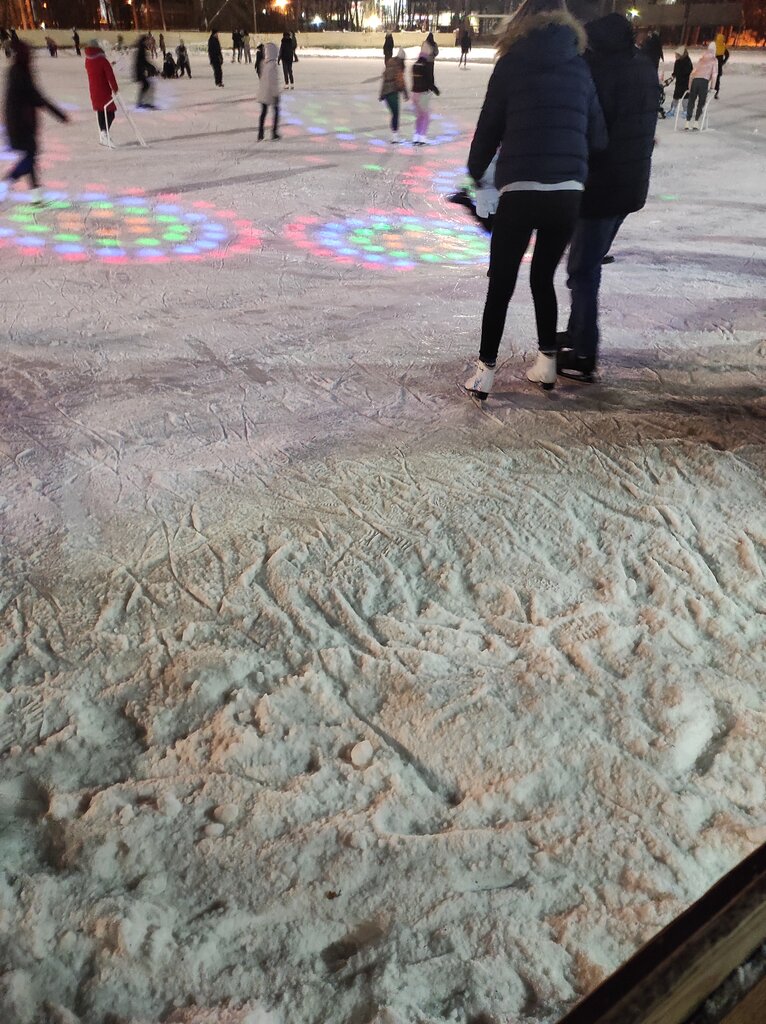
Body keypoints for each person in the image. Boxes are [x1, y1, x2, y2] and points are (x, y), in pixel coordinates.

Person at [463, 0, 607, 399]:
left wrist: (476, 174)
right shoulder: (579, 66)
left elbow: (488, 128)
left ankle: (485, 372)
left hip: (521, 189)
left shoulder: (511, 64)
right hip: (567, 194)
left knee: (501, 282)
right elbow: (598, 137)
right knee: (542, 277)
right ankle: (546, 364)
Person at [555, 5, 657, 383]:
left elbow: (591, 132)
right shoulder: (642, 66)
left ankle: (584, 352)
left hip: (601, 187)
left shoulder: (599, 71)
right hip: (630, 184)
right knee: (587, 263)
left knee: (582, 269)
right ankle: (577, 332)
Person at [2, 40, 68, 203]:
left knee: (30, 156)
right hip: (20, 124)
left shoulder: (19, 71)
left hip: (21, 122)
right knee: (30, 157)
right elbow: (36, 97)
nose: (32, 57)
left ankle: (36, 195)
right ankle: (7, 181)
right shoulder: (19, 73)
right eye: (29, 54)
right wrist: (59, 114)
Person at [85, 38, 119, 146]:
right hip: (103, 91)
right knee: (111, 112)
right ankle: (104, 133)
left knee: (100, 111)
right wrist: (115, 88)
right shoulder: (102, 60)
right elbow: (110, 76)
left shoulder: (87, 60)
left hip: (93, 91)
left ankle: (103, 136)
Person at [411, 42, 440, 145]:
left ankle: (416, 136)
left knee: (419, 116)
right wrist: (435, 90)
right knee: (425, 116)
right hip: (423, 93)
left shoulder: (415, 65)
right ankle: (422, 137)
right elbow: (429, 81)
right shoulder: (426, 65)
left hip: (415, 93)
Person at [685, 42, 716, 129]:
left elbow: (692, 73)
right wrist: (712, 87)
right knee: (701, 101)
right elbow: (714, 74)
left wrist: (690, 86)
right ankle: (696, 122)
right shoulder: (714, 60)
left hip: (695, 80)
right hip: (704, 81)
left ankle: (687, 122)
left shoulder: (701, 59)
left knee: (691, 101)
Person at [380, 47, 408, 144]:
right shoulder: (398, 66)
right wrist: (405, 93)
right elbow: (400, 81)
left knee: (394, 113)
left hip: (386, 92)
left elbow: (385, 80)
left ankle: (394, 135)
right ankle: (395, 136)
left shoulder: (390, 63)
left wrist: (382, 94)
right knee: (396, 113)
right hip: (392, 92)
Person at [257, 41, 281, 141]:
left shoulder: (264, 63)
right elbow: (273, 82)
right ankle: (274, 132)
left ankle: (260, 133)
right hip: (270, 93)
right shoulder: (272, 65)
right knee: (276, 112)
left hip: (262, 92)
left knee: (263, 113)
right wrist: (276, 95)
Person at [134, 35, 158, 108]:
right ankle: (143, 102)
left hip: (140, 70)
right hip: (140, 71)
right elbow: (143, 61)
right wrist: (151, 67)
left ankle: (141, 102)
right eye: (147, 40)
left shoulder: (142, 48)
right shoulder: (141, 49)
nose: (148, 42)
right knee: (146, 85)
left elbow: (143, 61)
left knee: (146, 85)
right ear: (144, 41)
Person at [667, 47, 692, 116]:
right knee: (676, 96)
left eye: (676, 54)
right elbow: (675, 70)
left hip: (686, 83)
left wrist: (679, 74)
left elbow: (688, 72)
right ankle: (672, 109)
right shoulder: (677, 61)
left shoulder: (687, 61)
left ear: (681, 54)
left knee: (685, 97)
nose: (675, 56)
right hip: (679, 82)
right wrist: (673, 75)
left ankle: (685, 111)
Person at [714, 32, 729, 98]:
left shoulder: (714, 46)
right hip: (719, 66)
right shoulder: (723, 47)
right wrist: (723, 62)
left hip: (712, 65)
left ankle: (705, 92)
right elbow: (727, 55)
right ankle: (716, 93)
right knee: (717, 80)